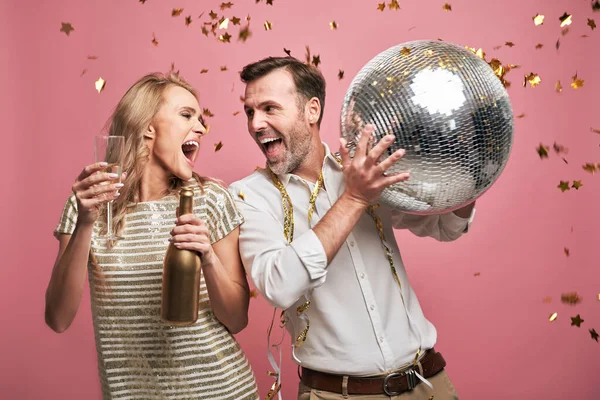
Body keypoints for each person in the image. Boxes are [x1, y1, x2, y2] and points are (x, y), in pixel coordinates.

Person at [228, 57, 475, 400]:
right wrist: (354, 198)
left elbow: (445, 225)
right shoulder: (247, 195)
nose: (256, 124)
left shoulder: (364, 167)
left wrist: (470, 166)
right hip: (336, 395)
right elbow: (278, 285)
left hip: (429, 385)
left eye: (270, 108)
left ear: (311, 110)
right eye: (249, 112)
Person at [45, 72, 259, 400]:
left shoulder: (211, 198)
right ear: (147, 126)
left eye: (201, 120)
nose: (201, 128)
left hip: (222, 391)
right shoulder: (89, 204)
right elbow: (58, 318)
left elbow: (237, 319)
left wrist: (209, 259)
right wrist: (86, 222)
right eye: (187, 115)